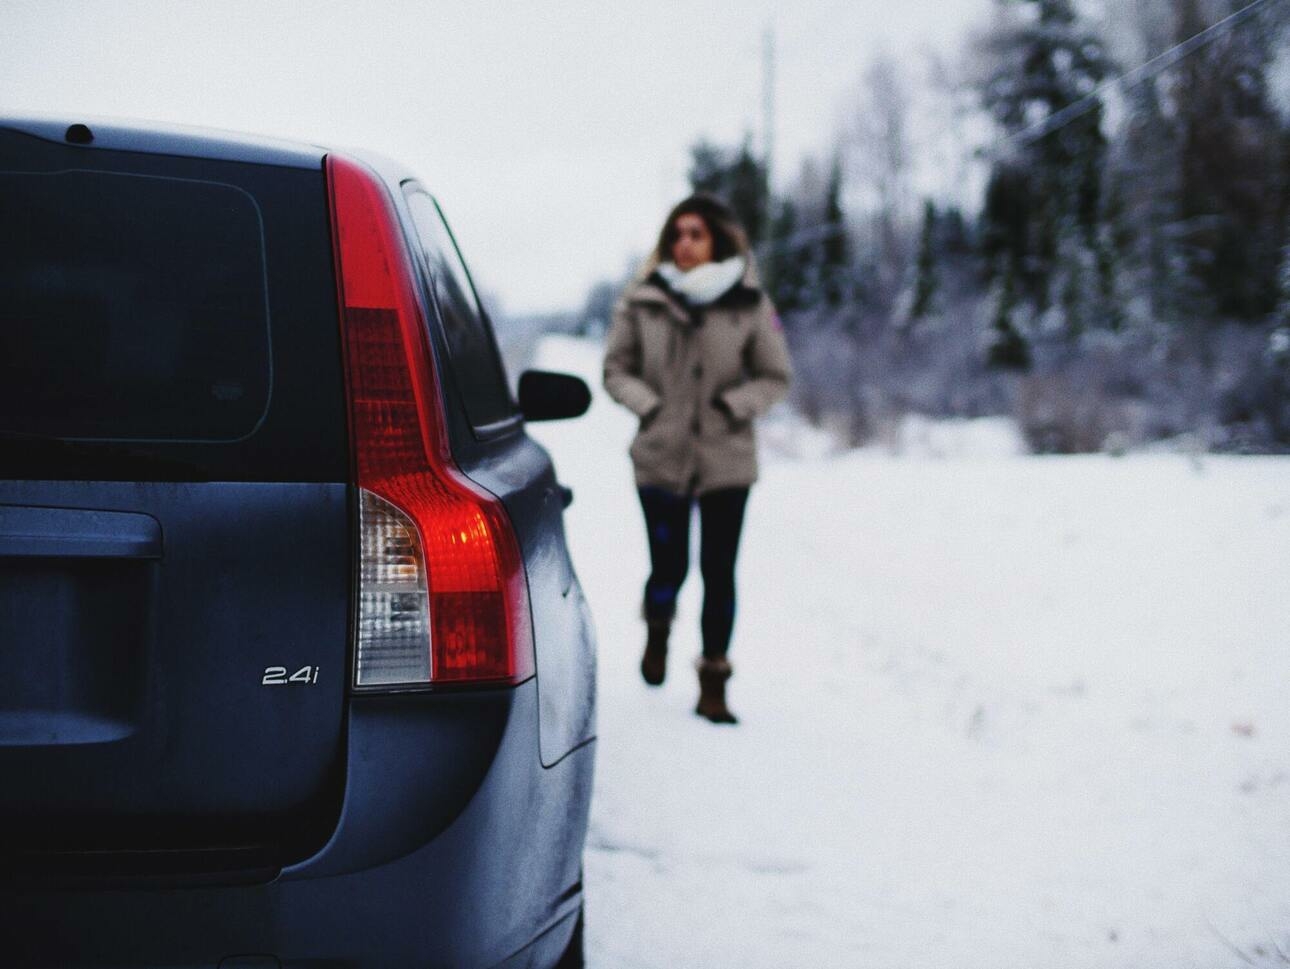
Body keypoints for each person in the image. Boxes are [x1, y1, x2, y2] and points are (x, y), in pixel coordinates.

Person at [603, 193, 793, 724]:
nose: (685, 244)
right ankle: (658, 625)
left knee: (718, 571)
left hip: (726, 460)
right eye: (678, 234)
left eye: (697, 234)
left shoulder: (749, 303)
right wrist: (650, 405)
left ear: (717, 241)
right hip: (660, 458)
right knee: (670, 566)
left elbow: (776, 377)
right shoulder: (642, 300)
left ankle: (714, 681)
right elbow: (615, 369)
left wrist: (736, 405)